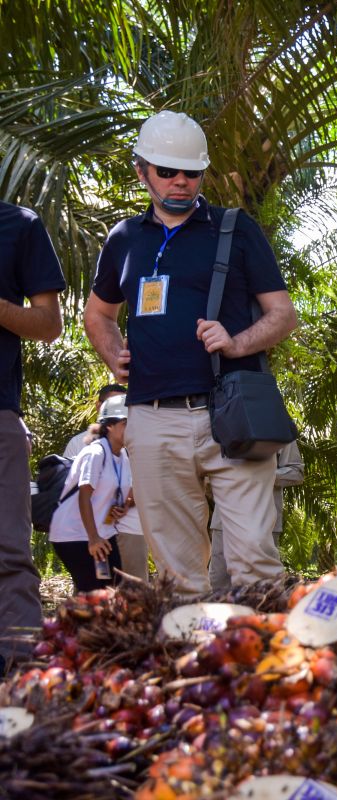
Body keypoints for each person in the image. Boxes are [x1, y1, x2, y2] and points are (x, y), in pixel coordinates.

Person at [83, 110, 298, 596]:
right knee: (179, 579)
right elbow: (97, 315)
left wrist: (236, 341)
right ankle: (198, 669)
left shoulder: (235, 228)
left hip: (233, 416)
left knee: (255, 568)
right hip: (152, 418)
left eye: (191, 172)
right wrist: (112, 354)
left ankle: (270, 670)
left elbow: (283, 314)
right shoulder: (123, 239)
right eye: (167, 171)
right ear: (142, 171)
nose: (181, 182)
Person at [0, 200, 64, 670]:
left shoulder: (19, 225)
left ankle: (22, 673)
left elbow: (48, 325)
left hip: (0, 414)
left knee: (8, 550)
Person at [48, 395, 132, 593]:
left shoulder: (123, 456)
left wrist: (123, 507)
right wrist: (93, 538)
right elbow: (83, 496)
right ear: (110, 426)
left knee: (113, 591)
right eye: (126, 423)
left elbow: (121, 494)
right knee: (94, 594)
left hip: (104, 532)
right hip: (74, 535)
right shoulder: (95, 453)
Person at [208, 440, 304, 591]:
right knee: (218, 583)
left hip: (266, 522)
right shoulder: (221, 421)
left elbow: (297, 472)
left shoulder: (276, 423)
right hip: (224, 521)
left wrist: (262, 474)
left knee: (264, 586)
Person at [63, 383, 127, 458]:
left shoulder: (134, 445)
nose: (121, 410)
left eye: (125, 405)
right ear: (99, 406)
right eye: (114, 405)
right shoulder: (77, 443)